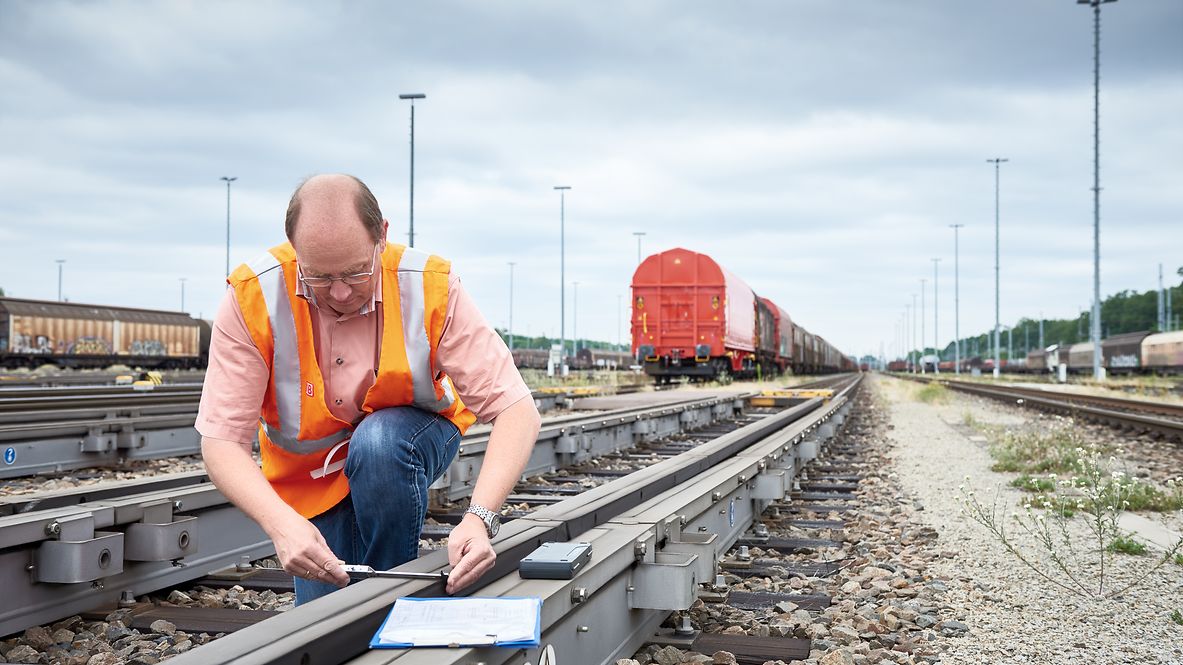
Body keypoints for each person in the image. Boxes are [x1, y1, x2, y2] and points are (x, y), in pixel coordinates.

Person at [197, 173, 540, 604]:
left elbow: (516, 409)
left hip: (405, 441)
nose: (339, 292)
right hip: (311, 476)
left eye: (356, 272)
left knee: (378, 443)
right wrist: (282, 525)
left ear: (382, 235)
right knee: (322, 620)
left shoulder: (427, 285)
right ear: (293, 248)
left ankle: (396, 597)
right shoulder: (254, 297)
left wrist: (479, 518)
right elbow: (220, 442)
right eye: (318, 277)